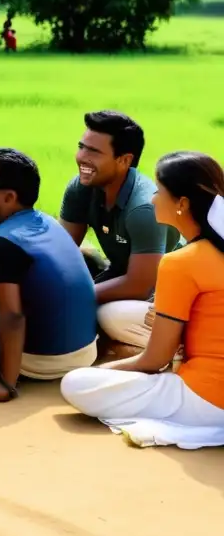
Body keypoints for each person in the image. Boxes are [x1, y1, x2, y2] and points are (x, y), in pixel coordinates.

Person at [61, 152, 224, 449]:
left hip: (208, 400)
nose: (151, 200)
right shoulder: (210, 249)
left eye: (159, 192)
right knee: (118, 315)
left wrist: (96, 372)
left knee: (75, 383)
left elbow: (154, 360)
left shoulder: (181, 262)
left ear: (182, 205)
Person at [0, 149, 98, 404]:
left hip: (44, 362)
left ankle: (7, 370)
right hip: (85, 352)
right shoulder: (45, 221)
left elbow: (13, 316)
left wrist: (7, 382)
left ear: (9, 196)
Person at [59, 111, 180, 352]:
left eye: (94, 152)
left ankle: (184, 345)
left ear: (124, 160)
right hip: (123, 271)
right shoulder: (81, 188)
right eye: (82, 147)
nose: (82, 157)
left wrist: (68, 297)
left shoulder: (143, 208)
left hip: (168, 290)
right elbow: (61, 251)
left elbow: (139, 285)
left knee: (108, 316)